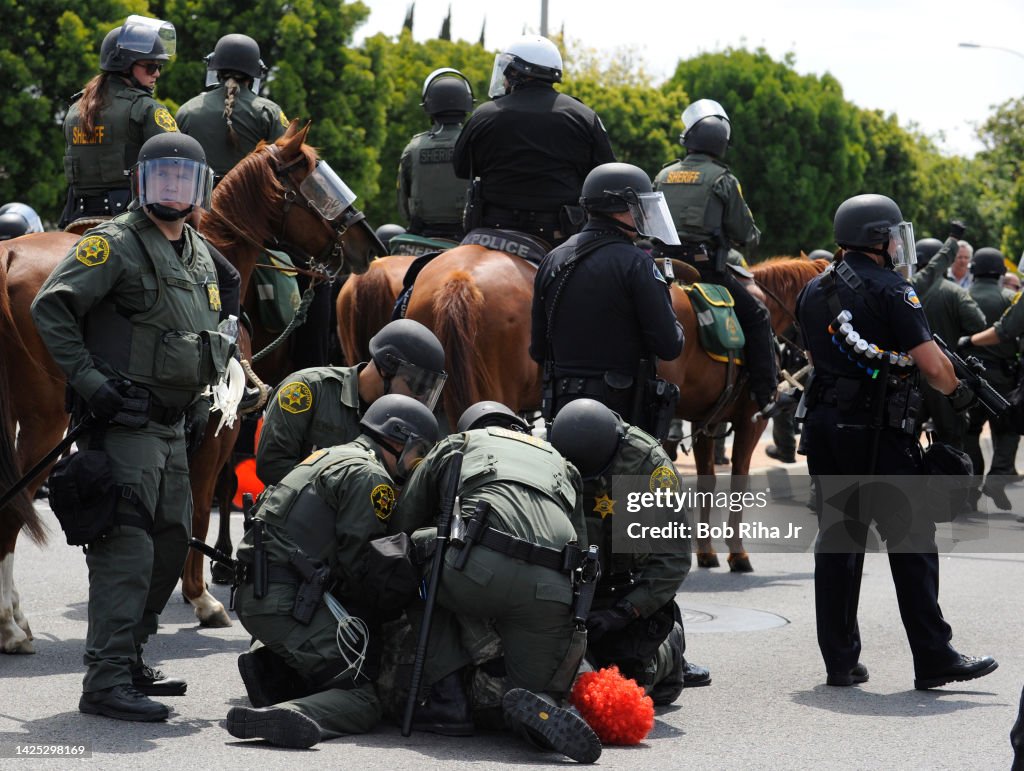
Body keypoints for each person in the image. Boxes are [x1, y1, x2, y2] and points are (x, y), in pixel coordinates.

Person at [32, 132, 232, 721]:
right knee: (126, 549)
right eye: (161, 175)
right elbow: (51, 307)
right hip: (123, 423)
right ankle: (105, 679)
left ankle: (130, 657)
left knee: (171, 544)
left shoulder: (198, 251)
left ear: (200, 188)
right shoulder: (113, 243)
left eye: (183, 177)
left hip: (174, 427)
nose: (172, 186)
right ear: (141, 182)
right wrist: (91, 382)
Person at [796, 193, 997, 689]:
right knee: (912, 541)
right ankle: (934, 656)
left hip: (824, 429)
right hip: (881, 431)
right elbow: (932, 368)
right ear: (877, 239)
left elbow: (816, 355)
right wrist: (956, 389)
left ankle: (840, 661)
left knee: (839, 539)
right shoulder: (893, 289)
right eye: (892, 236)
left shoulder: (814, 288)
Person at [389, 401, 602, 763]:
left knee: (407, 554)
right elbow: (581, 551)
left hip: (476, 570)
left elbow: (404, 522)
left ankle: (447, 698)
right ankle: (539, 725)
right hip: (550, 593)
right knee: (528, 696)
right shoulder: (562, 464)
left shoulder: (460, 443)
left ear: (471, 426)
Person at [228, 394, 441, 748]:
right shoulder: (371, 476)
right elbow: (361, 569)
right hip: (285, 601)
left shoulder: (331, 454)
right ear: (399, 439)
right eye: (418, 453)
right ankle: (288, 713)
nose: (415, 465)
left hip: (263, 592)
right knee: (364, 696)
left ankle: (276, 666)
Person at [548, 398, 710, 703]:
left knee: (622, 682)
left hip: (624, 593)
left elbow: (673, 558)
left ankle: (669, 649)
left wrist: (624, 611)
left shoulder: (649, 467)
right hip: (567, 590)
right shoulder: (548, 456)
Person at [530, 162, 684, 437]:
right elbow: (669, 345)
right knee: (647, 471)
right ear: (621, 207)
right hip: (620, 418)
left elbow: (538, 350)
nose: (645, 214)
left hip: (562, 416)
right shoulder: (637, 263)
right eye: (639, 206)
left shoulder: (552, 258)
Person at [653, 99, 778, 413]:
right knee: (758, 316)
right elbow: (745, 232)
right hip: (705, 270)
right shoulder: (723, 179)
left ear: (688, 139)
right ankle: (764, 394)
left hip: (659, 267)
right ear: (721, 145)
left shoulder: (663, 174)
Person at [453, 35, 615, 247]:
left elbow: (461, 168)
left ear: (515, 73)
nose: (504, 80)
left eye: (506, 72)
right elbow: (605, 176)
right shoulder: (584, 116)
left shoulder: (484, 114)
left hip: (491, 229)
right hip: (559, 235)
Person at [255, 319, 447, 485]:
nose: (419, 399)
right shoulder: (308, 389)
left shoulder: (402, 424)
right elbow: (272, 466)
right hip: (295, 512)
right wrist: (341, 497)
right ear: (387, 368)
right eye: (418, 386)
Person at [60, 15, 179, 229]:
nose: (157, 74)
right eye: (150, 66)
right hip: (131, 219)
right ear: (125, 66)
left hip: (76, 216)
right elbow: (178, 161)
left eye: (159, 66)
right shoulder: (145, 108)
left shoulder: (75, 108)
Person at [175, 34, 288, 183]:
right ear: (254, 74)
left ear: (216, 70)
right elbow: (287, 162)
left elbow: (173, 161)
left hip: (196, 196)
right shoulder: (269, 112)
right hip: (249, 197)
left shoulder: (188, 110)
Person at [910, 237, 986, 451]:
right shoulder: (954, 291)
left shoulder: (904, 289)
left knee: (904, 437)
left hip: (908, 376)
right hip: (945, 374)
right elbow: (978, 323)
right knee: (952, 439)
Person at [961, 247, 1021, 510]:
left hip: (968, 376)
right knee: (1009, 429)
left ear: (973, 269)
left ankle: (971, 492)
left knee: (970, 431)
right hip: (1004, 378)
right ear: (1001, 272)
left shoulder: (961, 295)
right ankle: (997, 478)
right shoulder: (1011, 297)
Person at [397, 68, 473, 240]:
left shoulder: (413, 147)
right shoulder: (475, 142)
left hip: (422, 234)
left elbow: (403, 204)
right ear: (467, 104)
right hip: (467, 235)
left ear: (429, 107)